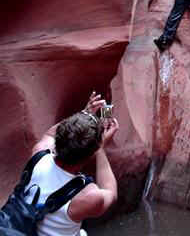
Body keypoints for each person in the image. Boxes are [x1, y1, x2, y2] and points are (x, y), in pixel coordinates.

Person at [24, 91, 119, 236]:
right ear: (90, 154)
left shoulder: (38, 156)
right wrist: (100, 149)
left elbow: (50, 134)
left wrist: (83, 114)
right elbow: (110, 192)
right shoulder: (87, 195)